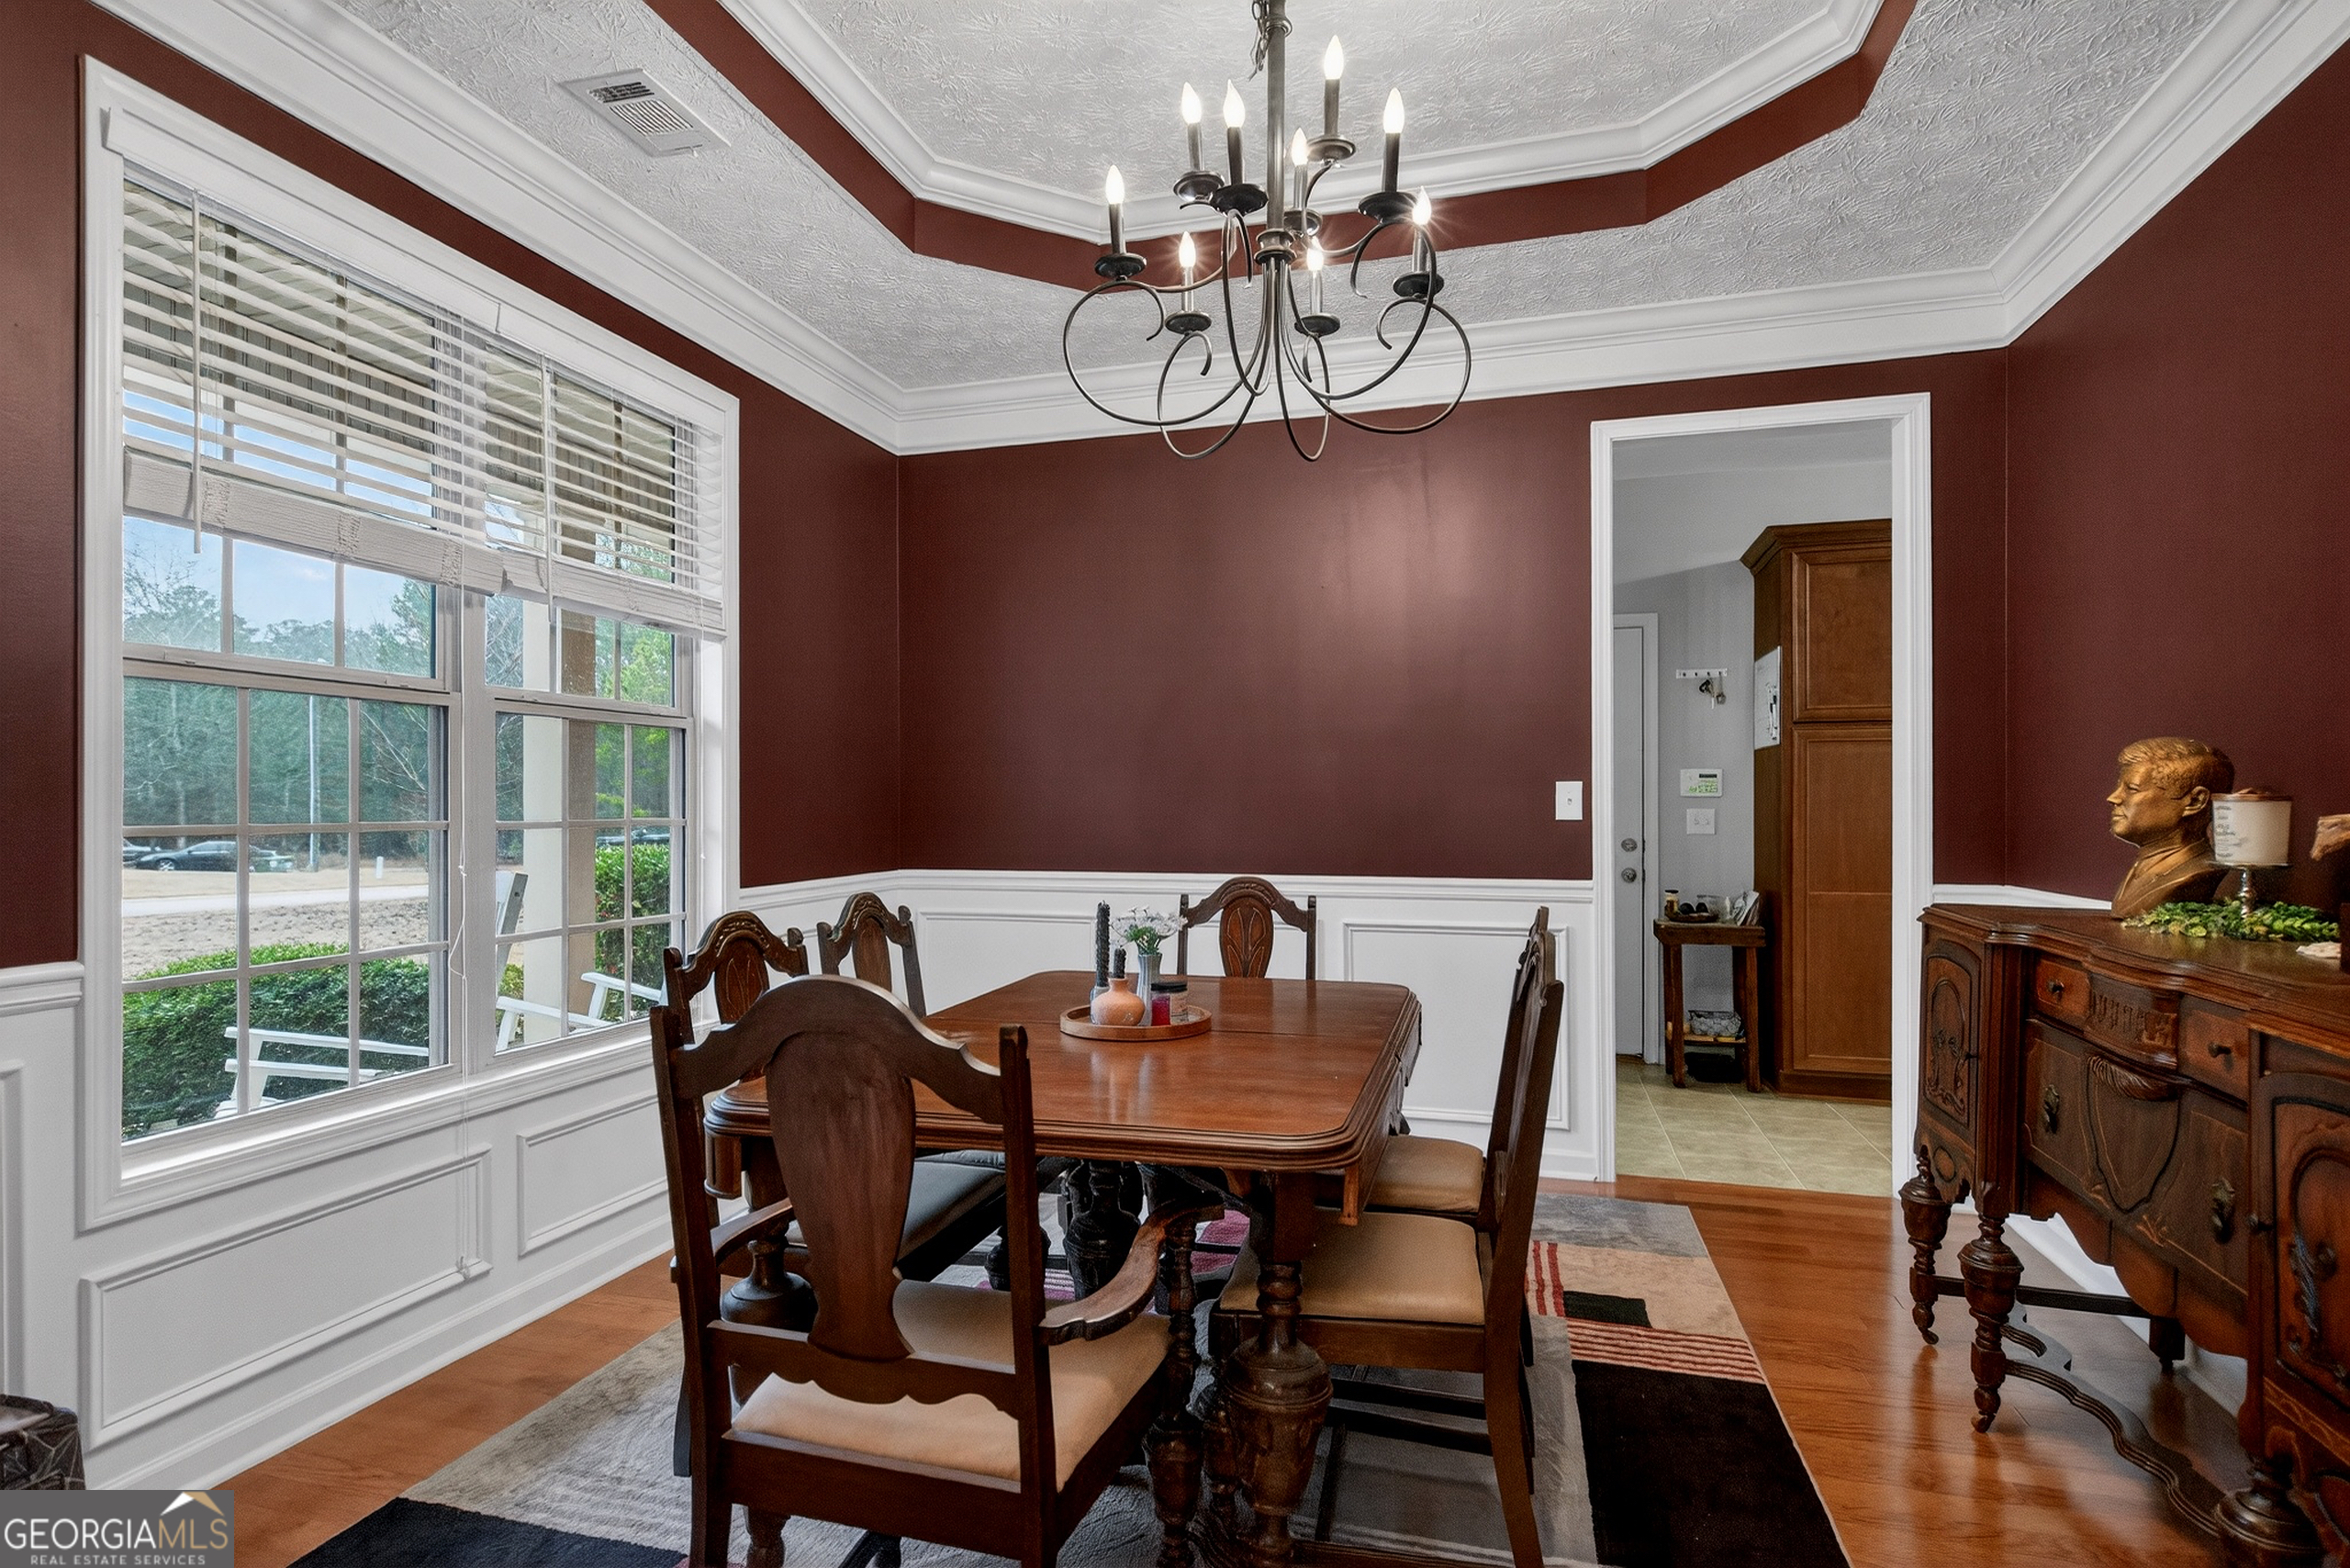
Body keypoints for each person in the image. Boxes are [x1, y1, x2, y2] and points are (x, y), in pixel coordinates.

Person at [2108, 736, 2233, 918]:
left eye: (2132, 789)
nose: (2113, 797)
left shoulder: (2196, 876)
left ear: (2195, 801)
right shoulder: (2144, 866)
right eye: (2119, 787)